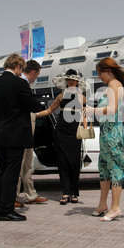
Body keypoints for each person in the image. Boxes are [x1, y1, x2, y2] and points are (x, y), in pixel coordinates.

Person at [86, 57, 124, 222]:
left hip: (112, 132)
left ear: (108, 70)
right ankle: (102, 205)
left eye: (100, 73)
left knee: (114, 168)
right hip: (107, 131)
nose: (99, 77)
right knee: (104, 167)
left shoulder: (114, 85)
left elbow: (112, 110)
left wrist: (93, 111)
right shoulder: (113, 85)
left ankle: (115, 207)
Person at [0, 54, 43, 221]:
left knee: (2, 170)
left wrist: (1, 120)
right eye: (21, 68)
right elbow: (34, 105)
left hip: (0, 132)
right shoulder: (19, 83)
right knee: (12, 171)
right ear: (17, 66)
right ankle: (6, 210)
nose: (21, 71)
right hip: (17, 134)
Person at [37, 69, 87, 205]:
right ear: (66, 81)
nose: (70, 81)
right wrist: (34, 115)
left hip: (75, 132)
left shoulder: (82, 97)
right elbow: (49, 111)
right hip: (61, 131)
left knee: (74, 163)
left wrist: (85, 128)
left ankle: (74, 193)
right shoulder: (60, 96)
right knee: (63, 162)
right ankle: (66, 192)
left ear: (77, 82)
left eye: (73, 79)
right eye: (68, 79)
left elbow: (85, 115)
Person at [16, 60, 48, 206]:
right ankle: (15, 196)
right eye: (37, 75)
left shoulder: (24, 84)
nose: (36, 79)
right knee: (19, 163)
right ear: (33, 72)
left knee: (27, 163)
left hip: (28, 131)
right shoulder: (20, 84)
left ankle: (30, 194)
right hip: (21, 130)